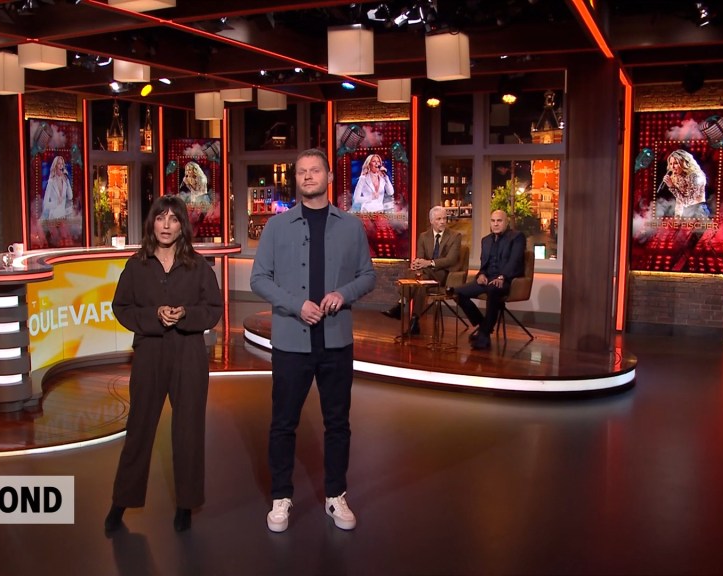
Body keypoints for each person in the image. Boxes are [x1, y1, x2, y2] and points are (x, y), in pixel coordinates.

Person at [250, 148, 376, 533]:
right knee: (283, 423)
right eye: (301, 171)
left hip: (336, 342)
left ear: (329, 177)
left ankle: (336, 495)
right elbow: (259, 279)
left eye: (314, 170)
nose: (307, 176)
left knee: (337, 423)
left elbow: (368, 276)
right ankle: (281, 497)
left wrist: (343, 293)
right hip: (291, 342)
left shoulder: (351, 226)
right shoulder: (277, 227)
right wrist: (296, 305)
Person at [104, 194, 223, 533]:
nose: (166, 225)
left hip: (188, 354)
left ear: (182, 225)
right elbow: (121, 307)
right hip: (150, 353)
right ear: (152, 224)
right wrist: (153, 316)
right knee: (139, 428)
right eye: (160, 218)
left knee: (188, 430)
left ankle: (186, 504)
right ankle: (121, 501)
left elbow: (213, 309)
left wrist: (186, 314)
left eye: (173, 219)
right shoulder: (137, 265)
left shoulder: (197, 266)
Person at [383, 205, 462, 335]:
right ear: (431, 221)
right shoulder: (424, 236)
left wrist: (429, 263)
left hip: (443, 273)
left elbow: (451, 260)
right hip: (425, 274)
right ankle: (415, 321)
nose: (443, 222)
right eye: (439, 219)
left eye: (444, 218)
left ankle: (401, 304)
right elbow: (420, 257)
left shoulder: (455, 236)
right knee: (420, 280)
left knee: (414, 275)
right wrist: (417, 264)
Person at [453, 209, 525, 351]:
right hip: (487, 279)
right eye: (493, 221)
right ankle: (484, 326)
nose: (495, 224)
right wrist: (481, 275)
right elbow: (484, 265)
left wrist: (502, 276)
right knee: (457, 292)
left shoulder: (517, 237)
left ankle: (484, 336)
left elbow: (515, 261)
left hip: (506, 280)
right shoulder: (485, 240)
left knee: (493, 290)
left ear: (506, 222)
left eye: (499, 221)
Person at [662, 149, 709, 218]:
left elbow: (687, 202)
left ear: (684, 163)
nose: (672, 167)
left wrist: (672, 186)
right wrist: (677, 217)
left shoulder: (694, 176)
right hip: (685, 214)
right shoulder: (677, 176)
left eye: (676, 163)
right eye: (671, 164)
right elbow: (679, 201)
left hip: (698, 213)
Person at [41, 155, 74, 220]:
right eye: (59, 164)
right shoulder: (51, 182)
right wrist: (56, 203)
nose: (61, 166)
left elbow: (70, 196)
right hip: (53, 218)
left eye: (62, 164)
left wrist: (67, 180)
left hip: (62, 217)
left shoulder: (65, 182)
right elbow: (45, 204)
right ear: (55, 166)